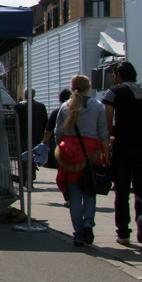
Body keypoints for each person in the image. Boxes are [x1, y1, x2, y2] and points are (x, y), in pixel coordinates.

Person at [102, 61, 142, 246]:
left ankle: (123, 233)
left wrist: (106, 145)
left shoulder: (114, 93)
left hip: (123, 147)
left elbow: (107, 123)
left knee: (122, 191)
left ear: (118, 75)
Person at [54, 74, 110, 246]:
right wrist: (106, 152)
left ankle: (78, 234)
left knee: (75, 195)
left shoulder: (65, 107)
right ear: (88, 87)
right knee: (90, 191)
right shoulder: (98, 106)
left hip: (70, 153)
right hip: (91, 152)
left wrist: (59, 149)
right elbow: (103, 132)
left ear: (72, 88)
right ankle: (88, 223)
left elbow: (58, 132)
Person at [44, 88, 73, 204]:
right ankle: (76, 196)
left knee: (62, 172)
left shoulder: (56, 111)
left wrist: (45, 142)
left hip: (61, 146)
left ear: (60, 99)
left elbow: (49, 129)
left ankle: (68, 197)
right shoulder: (77, 110)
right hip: (76, 146)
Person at [16, 89, 48, 181]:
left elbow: (15, 121)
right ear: (34, 95)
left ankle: (22, 178)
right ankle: (30, 178)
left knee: (22, 157)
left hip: (22, 136)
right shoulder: (41, 106)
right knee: (33, 158)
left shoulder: (19, 106)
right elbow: (45, 123)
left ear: (25, 95)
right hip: (36, 137)